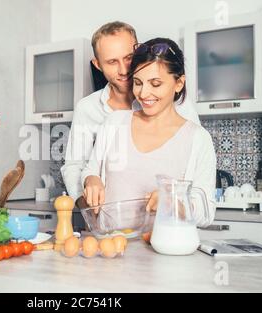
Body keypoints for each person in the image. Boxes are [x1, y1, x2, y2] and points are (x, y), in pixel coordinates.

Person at [61, 22, 200, 206]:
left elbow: (195, 162)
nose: (124, 69)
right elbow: (74, 166)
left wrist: (176, 203)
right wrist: (87, 206)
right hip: (109, 222)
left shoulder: (176, 102)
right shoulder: (87, 109)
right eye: (112, 62)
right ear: (98, 65)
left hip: (166, 220)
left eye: (128, 58)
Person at [81, 38, 216, 227]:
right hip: (110, 250)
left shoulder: (198, 139)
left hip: (165, 253)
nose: (144, 93)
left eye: (155, 83)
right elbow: (91, 169)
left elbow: (207, 213)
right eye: (138, 82)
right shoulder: (114, 123)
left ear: (178, 83)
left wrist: (174, 203)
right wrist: (91, 179)